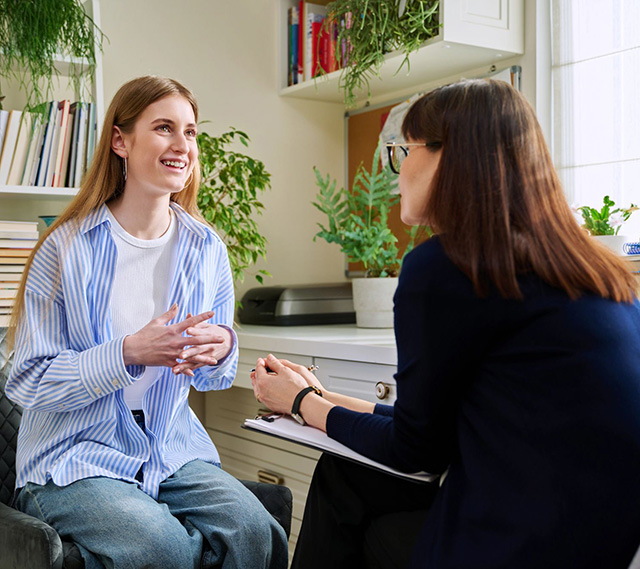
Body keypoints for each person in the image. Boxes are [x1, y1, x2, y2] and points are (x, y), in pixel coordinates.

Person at [252, 78, 640, 569]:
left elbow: (417, 451)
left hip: (514, 545)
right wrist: (321, 399)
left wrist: (303, 403)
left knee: (346, 486)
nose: (398, 169)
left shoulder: (448, 267)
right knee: (351, 478)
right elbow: (441, 429)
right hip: (591, 542)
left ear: (448, 156)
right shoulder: (586, 268)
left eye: (403, 150)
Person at [6, 76, 288, 569]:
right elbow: (27, 381)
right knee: (163, 548)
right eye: (164, 128)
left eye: (191, 132)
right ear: (121, 140)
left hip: (169, 445)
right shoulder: (64, 248)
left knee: (255, 532)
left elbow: (213, 374)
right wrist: (128, 352)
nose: (182, 145)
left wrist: (221, 344)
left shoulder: (206, 249)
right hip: (74, 454)